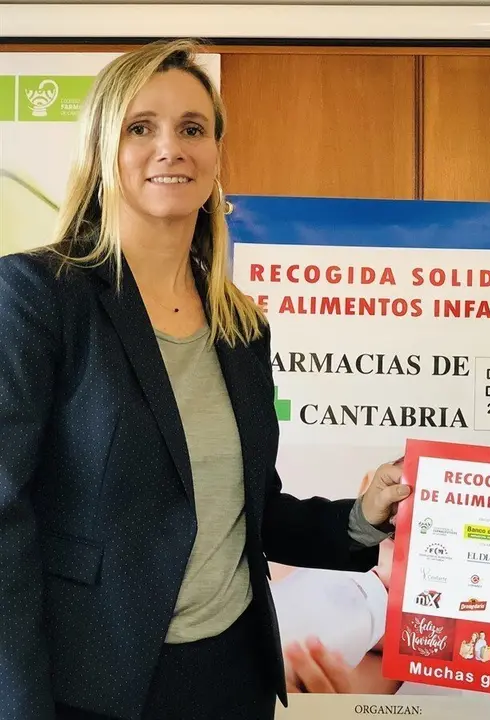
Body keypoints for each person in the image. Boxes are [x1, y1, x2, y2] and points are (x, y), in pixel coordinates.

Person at [0, 39, 410, 720]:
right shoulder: (39, 296)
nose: (171, 148)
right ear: (102, 149)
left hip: (230, 679)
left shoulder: (239, 324)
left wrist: (362, 516)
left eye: (192, 129)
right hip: (91, 688)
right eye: (141, 128)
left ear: (216, 153)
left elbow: (248, 509)